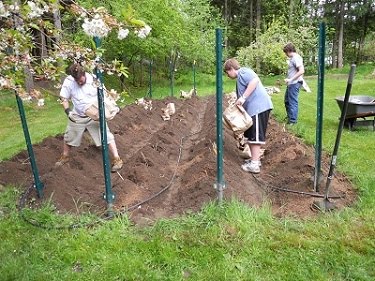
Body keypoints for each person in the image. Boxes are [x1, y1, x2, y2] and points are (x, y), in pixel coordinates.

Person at [55, 63, 123, 172]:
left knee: (106, 135)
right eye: (77, 81)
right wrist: (68, 111)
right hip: (78, 114)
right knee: (69, 136)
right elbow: (63, 97)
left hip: (94, 114)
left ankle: (117, 158)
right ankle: (65, 156)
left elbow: (105, 95)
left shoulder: (94, 79)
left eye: (81, 81)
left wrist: (111, 107)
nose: (79, 83)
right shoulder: (69, 82)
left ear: (84, 74)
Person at [224, 58, 273, 174]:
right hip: (253, 110)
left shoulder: (244, 72)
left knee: (255, 137)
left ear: (231, 69)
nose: (227, 75)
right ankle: (253, 160)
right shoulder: (241, 76)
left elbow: (254, 81)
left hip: (258, 108)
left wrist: (243, 97)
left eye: (227, 73)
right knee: (251, 136)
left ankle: (255, 165)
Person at [283, 43, 305, 124]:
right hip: (291, 83)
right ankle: (290, 117)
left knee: (292, 102)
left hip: (294, 83)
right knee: (287, 101)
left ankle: (293, 121)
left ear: (289, 51)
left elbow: (301, 71)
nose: (286, 54)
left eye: (286, 53)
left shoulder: (296, 58)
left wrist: (290, 79)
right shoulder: (292, 58)